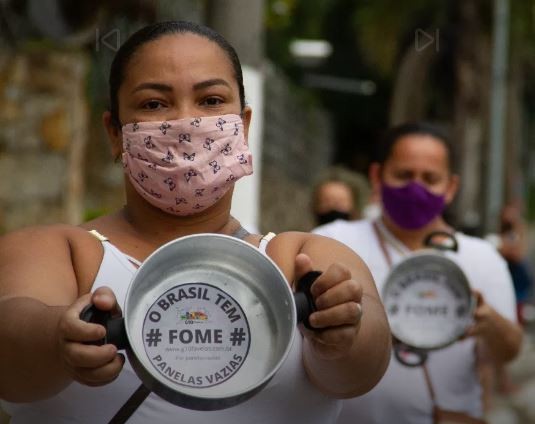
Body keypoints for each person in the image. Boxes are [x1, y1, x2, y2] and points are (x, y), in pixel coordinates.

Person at [0, 21, 391, 424]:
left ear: (244, 125)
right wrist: (56, 338)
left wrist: (342, 332)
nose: (186, 123)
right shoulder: (59, 253)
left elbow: (365, 366)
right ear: (114, 133)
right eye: (154, 104)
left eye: (210, 101)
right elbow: (10, 344)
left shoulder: (302, 260)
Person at [314, 122, 523, 423]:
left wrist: (489, 322)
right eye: (403, 175)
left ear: (450, 187)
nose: (416, 188)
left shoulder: (482, 258)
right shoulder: (331, 241)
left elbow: (508, 353)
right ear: (377, 176)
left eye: (430, 178)